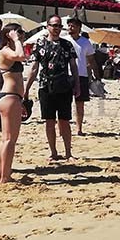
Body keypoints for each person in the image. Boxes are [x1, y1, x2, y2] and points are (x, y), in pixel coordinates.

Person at [25, 15, 80, 161]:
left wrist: (77, 85)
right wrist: (26, 88)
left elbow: (73, 66)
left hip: (64, 86)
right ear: (47, 26)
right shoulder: (40, 44)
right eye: (54, 25)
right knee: (49, 121)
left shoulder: (67, 44)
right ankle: (53, 152)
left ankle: (68, 152)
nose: (56, 29)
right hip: (45, 86)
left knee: (64, 121)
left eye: (59, 26)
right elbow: (34, 68)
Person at [0, 23, 27, 183]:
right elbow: (21, 56)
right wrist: (16, 40)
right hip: (9, 97)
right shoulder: (6, 51)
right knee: (9, 139)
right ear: (9, 34)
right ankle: (4, 176)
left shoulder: (8, 50)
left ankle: (2, 174)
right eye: (18, 32)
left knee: (5, 139)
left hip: (12, 97)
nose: (21, 34)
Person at [67, 18, 97, 136]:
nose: (70, 28)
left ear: (79, 28)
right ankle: (63, 128)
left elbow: (91, 60)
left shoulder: (85, 42)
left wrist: (96, 75)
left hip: (82, 75)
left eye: (73, 26)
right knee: (64, 103)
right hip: (67, 75)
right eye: (69, 25)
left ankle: (79, 128)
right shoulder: (64, 40)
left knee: (80, 104)